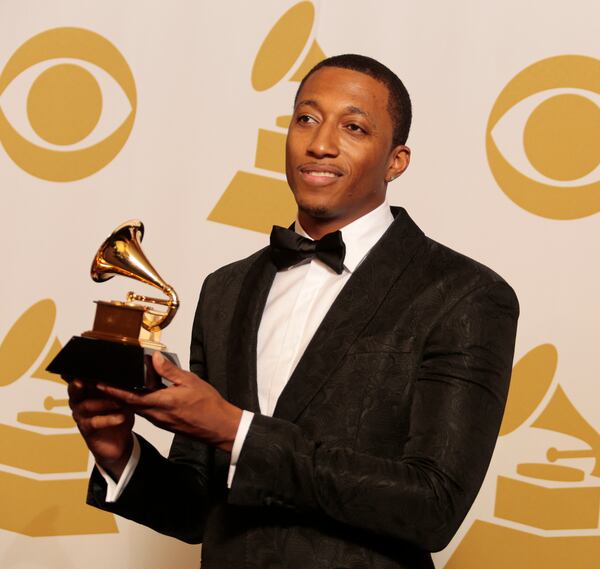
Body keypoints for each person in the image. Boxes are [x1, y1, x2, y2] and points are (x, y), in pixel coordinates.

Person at [69, 54, 519, 569]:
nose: (320, 143)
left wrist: (235, 430)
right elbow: (197, 510)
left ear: (396, 160)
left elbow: (433, 507)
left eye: (353, 127)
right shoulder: (226, 289)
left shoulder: (463, 294)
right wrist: (119, 454)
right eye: (306, 118)